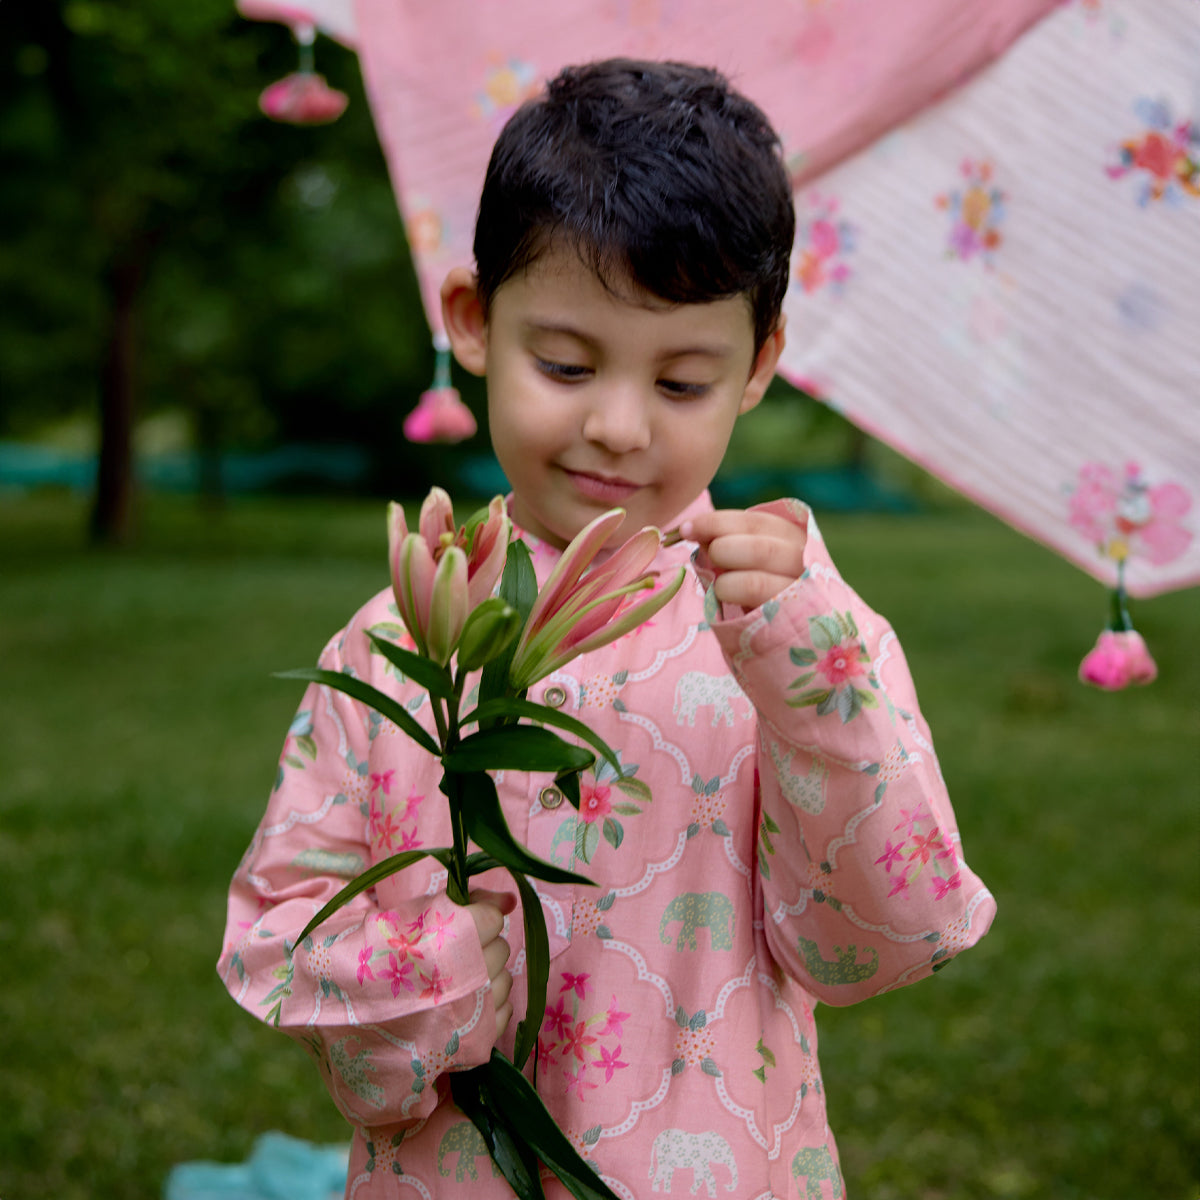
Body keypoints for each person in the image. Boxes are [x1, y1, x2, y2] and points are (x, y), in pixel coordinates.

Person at [219, 58, 995, 1198]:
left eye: (682, 383)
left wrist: (805, 679)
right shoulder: (399, 635)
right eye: (566, 364)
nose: (618, 427)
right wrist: (428, 974)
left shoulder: (804, 632)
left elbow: (877, 939)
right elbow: (274, 942)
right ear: (474, 321)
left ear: (760, 365)